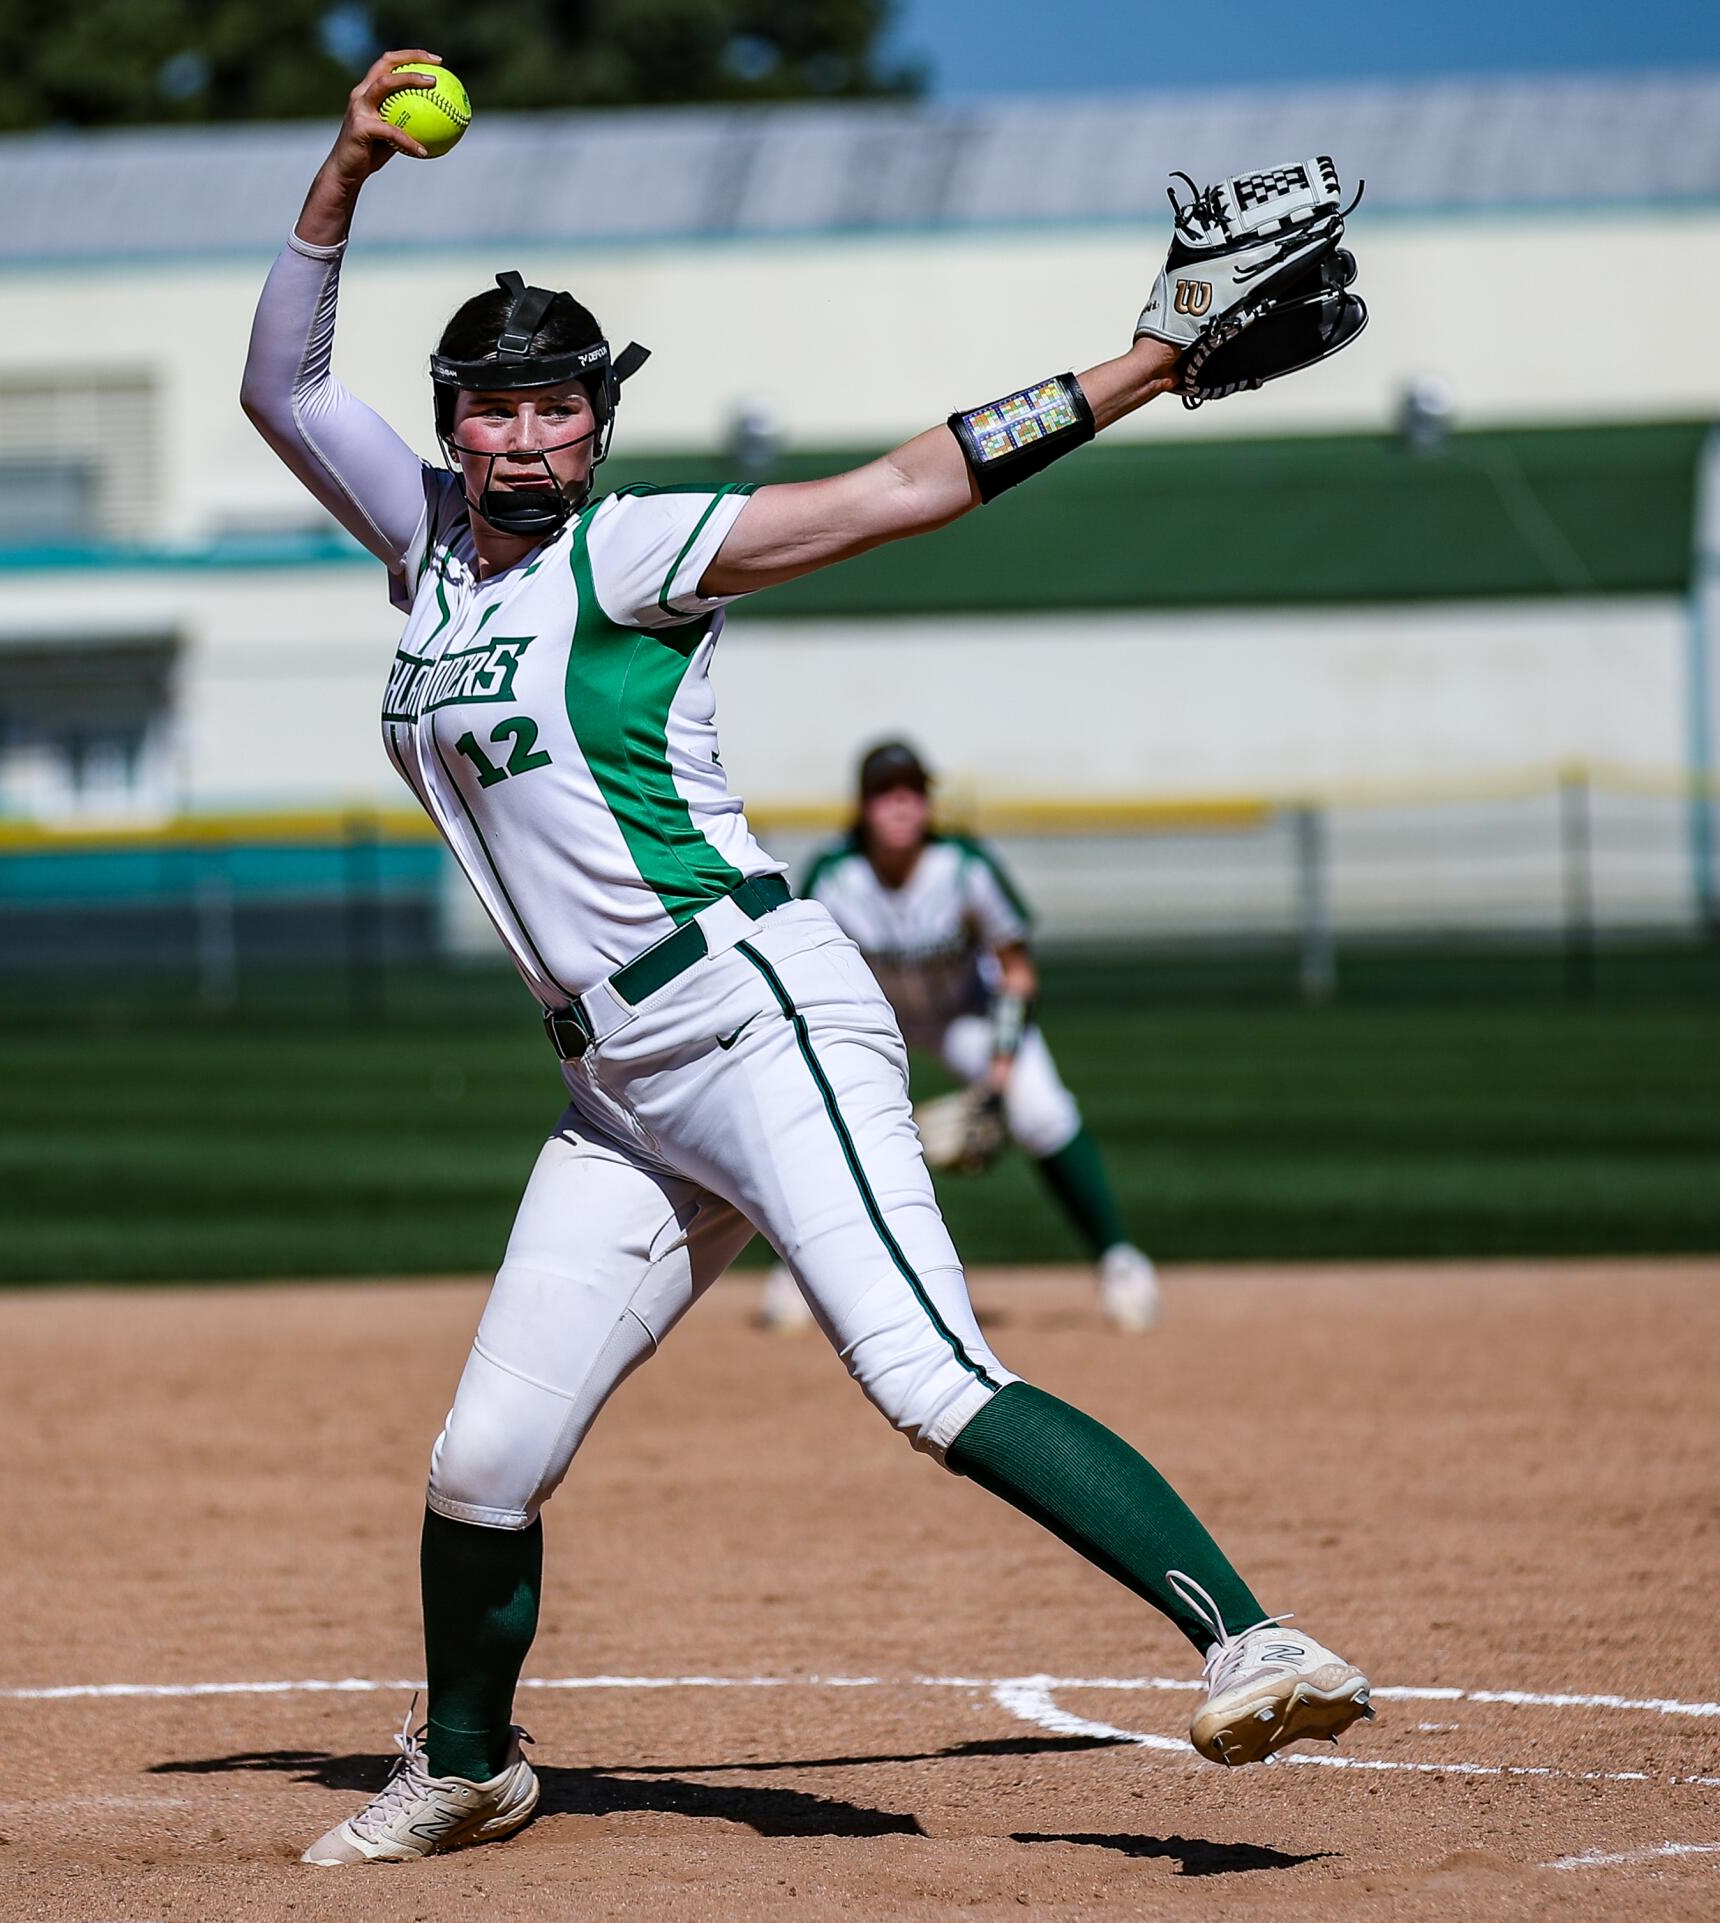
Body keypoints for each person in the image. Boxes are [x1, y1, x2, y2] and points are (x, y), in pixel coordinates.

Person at [242, 48, 1373, 1870]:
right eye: (490, 409)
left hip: (750, 1011)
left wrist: (1150, 360)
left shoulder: (635, 549)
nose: (522, 436)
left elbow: (905, 486)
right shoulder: (424, 552)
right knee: (481, 1465)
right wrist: (347, 165)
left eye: (554, 407)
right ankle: (467, 1763)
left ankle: (1251, 1634)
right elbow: (280, 380)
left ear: (598, 422)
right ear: (450, 423)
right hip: (613, 1091)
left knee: (928, 1376)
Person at [760, 740, 1161, 1336]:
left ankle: (1119, 1260)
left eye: (913, 793)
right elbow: (800, 971)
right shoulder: (835, 877)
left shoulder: (964, 868)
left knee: (1042, 1109)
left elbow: (1017, 973)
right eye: (887, 794)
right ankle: (798, 1270)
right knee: (824, 1125)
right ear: (864, 807)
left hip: (962, 1013)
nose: (902, 806)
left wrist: (999, 1072)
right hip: (876, 1016)